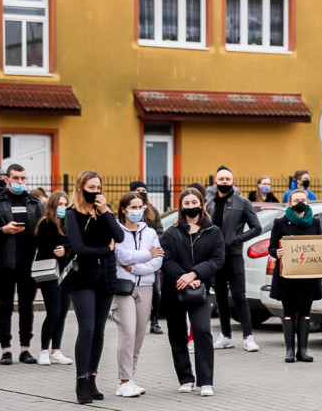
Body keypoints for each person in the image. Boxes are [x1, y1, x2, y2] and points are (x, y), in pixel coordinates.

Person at [63, 170, 125, 404]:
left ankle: (92, 379)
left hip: (105, 277)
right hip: (82, 278)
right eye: (91, 188)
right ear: (80, 188)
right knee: (87, 328)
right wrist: (105, 250)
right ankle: (80, 381)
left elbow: (118, 236)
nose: (96, 192)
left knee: (99, 331)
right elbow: (79, 248)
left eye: (99, 187)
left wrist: (106, 211)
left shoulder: (103, 211)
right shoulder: (71, 214)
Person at [160, 188, 225, 396]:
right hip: (175, 289)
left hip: (201, 289)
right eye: (186, 203)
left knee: (202, 330)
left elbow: (217, 259)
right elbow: (165, 259)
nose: (190, 206)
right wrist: (184, 277)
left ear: (202, 204)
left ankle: (206, 381)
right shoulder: (171, 232)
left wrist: (195, 275)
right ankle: (186, 378)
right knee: (177, 334)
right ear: (181, 206)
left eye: (194, 202)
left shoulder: (213, 231)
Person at [269, 189, 322, 363]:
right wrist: (278, 252)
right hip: (287, 276)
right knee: (288, 312)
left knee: (305, 312)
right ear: (289, 203)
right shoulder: (280, 223)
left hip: (308, 276)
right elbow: (272, 247)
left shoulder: (315, 223)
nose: (299, 202)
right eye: (296, 200)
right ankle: (289, 350)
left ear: (307, 202)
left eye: (302, 199)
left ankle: (303, 350)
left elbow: (319, 245)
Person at [112, 192, 163, 398]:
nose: (137, 211)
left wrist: (134, 268)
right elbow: (121, 255)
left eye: (140, 206)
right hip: (123, 288)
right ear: (124, 209)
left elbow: (157, 259)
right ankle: (124, 380)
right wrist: (146, 255)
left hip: (146, 286)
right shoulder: (117, 231)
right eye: (132, 207)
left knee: (139, 335)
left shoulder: (149, 232)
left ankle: (130, 377)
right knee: (128, 332)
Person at [207, 166, 262, 352]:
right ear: (215, 183)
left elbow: (257, 228)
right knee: (220, 298)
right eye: (221, 179)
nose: (224, 182)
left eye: (227, 179)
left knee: (239, 296)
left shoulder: (242, 202)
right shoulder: (210, 203)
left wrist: (237, 239)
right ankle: (225, 336)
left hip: (234, 256)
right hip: (216, 257)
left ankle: (248, 337)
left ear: (233, 182)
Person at [0, 164, 45, 365]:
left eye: (23, 178)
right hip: (4, 262)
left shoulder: (34, 203)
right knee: (5, 306)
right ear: (7, 179)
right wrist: (3, 230)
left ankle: (25, 349)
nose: (20, 182)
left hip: (28, 262)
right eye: (16, 178)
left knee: (27, 306)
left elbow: (42, 230)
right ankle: (5, 349)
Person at [33, 190, 73, 366]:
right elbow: (48, 247)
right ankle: (44, 350)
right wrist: (63, 250)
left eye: (65, 204)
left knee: (63, 312)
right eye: (60, 204)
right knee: (53, 312)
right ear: (52, 205)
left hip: (66, 274)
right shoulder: (46, 223)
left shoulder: (67, 224)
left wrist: (65, 249)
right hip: (50, 274)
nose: (63, 208)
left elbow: (73, 246)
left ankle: (56, 350)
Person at [129, 181, 164, 334]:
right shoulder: (128, 212)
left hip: (150, 258)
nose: (142, 193)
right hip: (132, 258)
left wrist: (153, 247)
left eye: (144, 190)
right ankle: (133, 319)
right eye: (139, 190)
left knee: (155, 290)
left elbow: (160, 231)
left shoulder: (152, 211)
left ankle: (154, 321)